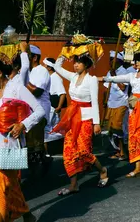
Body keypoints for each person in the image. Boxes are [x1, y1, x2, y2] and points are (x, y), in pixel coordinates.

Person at [0, 58, 45, 222]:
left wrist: (23, 125)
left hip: (13, 147)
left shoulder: (17, 88)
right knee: (10, 185)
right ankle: (27, 215)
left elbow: (39, 111)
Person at [101, 42, 140, 177]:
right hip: (133, 108)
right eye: (134, 61)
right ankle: (138, 167)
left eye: (137, 61)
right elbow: (115, 78)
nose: (135, 64)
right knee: (133, 137)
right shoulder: (132, 76)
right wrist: (102, 78)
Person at [53, 54, 108, 195]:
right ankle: (73, 184)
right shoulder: (73, 77)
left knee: (83, 151)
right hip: (72, 118)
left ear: (86, 64)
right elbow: (57, 67)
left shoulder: (92, 80)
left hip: (86, 119)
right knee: (68, 151)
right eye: (75, 62)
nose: (75, 65)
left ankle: (102, 170)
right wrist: (63, 55)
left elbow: (95, 102)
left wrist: (96, 123)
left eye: (79, 63)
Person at [26, 45, 52, 175]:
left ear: (34, 57)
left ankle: (36, 170)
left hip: (39, 110)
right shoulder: (26, 70)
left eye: (27, 56)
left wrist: (24, 81)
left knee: (34, 142)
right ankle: (44, 161)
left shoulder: (42, 71)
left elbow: (37, 91)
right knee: (29, 141)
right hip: (26, 111)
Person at [102, 51, 128, 160]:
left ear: (119, 61)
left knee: (118, 128)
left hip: (121, 103)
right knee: (111, 129)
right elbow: (106, 88)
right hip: (111, 103)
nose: (110, 61)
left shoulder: (124, 72)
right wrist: (104, 100)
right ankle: (117, 150)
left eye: (113, 59)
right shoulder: (110, 72)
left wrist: (114, 76)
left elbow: (123, 87)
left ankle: (123, 151)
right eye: (110, 59)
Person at [43, 57, 66, 157]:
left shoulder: (55, 78)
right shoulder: (49, 77)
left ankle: (48, 152)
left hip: (53, 106)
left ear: (49, 67)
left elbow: (62, 94)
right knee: (50, 128)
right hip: (49, 105)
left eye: (44, 65)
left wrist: (58, 107)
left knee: (52, 128)